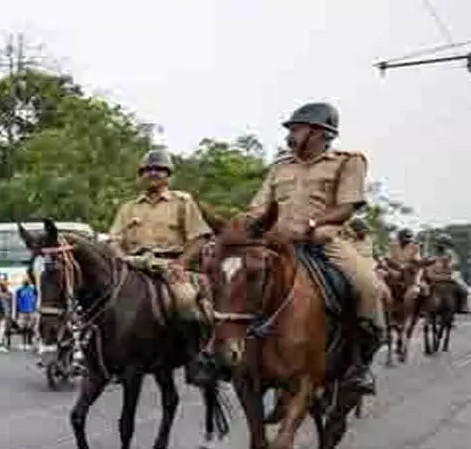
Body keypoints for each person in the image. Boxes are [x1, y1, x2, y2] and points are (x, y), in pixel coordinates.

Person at [246, 102, 383, 394]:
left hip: (324, 241)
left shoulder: (348, 161)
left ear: (321, 133)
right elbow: (257, 206)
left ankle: (359, 366)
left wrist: (311, 224)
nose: (291, 135)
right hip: (275, 242)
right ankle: (222, 352)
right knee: (231, 279)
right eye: (291, 129)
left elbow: (346, 206)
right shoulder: (280, 166)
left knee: (370, 288)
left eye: (298, 129)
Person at [107, 148, 215, 334]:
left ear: (168, 176)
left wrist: (180, 264)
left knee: (186, 302)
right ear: (141, 176)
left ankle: (196, 353)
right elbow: (113, 241)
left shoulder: (182, 202)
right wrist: (123, 259)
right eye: (147, 170)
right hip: (133, 267)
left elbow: (199, 238)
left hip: (169, 267)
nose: (153, 173)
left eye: (159, 169)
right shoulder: (128, 207)